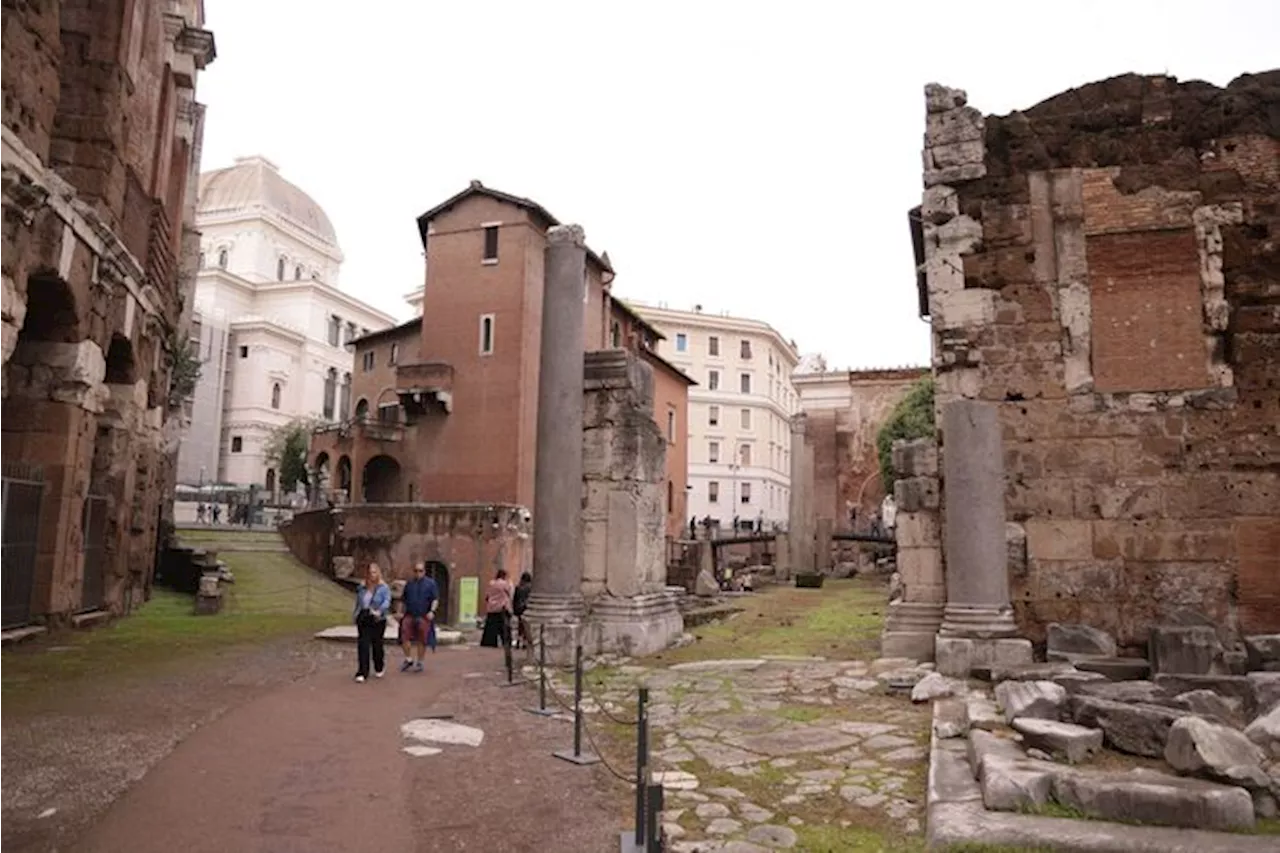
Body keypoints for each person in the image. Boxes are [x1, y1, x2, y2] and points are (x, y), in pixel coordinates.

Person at [353, 563, 391, 683]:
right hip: (364, 616)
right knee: (363, 644)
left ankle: (379, 666)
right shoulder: (362, 587)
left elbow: (387, 601)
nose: (372, 575)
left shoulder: (383, 588)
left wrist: (379, 611)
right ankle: (362, 671)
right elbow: (359, 602)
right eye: (370, 573)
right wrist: (355, 614)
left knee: (377, 644)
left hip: (377, 618)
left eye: (374, 572)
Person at [399, 562, 439, 673]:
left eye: (420, 571)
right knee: (404, 636)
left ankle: (420, 661)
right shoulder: (409, 584)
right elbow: (403, 599)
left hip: (423, 615)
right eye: (416, 571)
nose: (418, 573)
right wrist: (399, 612)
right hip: (410, 614)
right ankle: (408, 658)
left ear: (424, 572)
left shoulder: (430, 584)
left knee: (422, 638)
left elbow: (435, 599)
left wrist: (432, 611)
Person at [479, 568, 514, 648]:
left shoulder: (491, 583)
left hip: (491, 607)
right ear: (504, 576)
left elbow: (487, 596)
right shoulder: (505, 584)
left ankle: (489, 642)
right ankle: (506, 643)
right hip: (502, 607)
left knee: (491, 628)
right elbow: (510, 593)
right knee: (504, 628)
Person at [512, 571, 533, 650]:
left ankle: (518, 640)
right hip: (526, 607)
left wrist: (514, 609)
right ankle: (524, 642)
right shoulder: (530, 588)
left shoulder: (518, 587)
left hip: (519, 608)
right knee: (526, 625)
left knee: (520, 625)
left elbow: (515, 599)